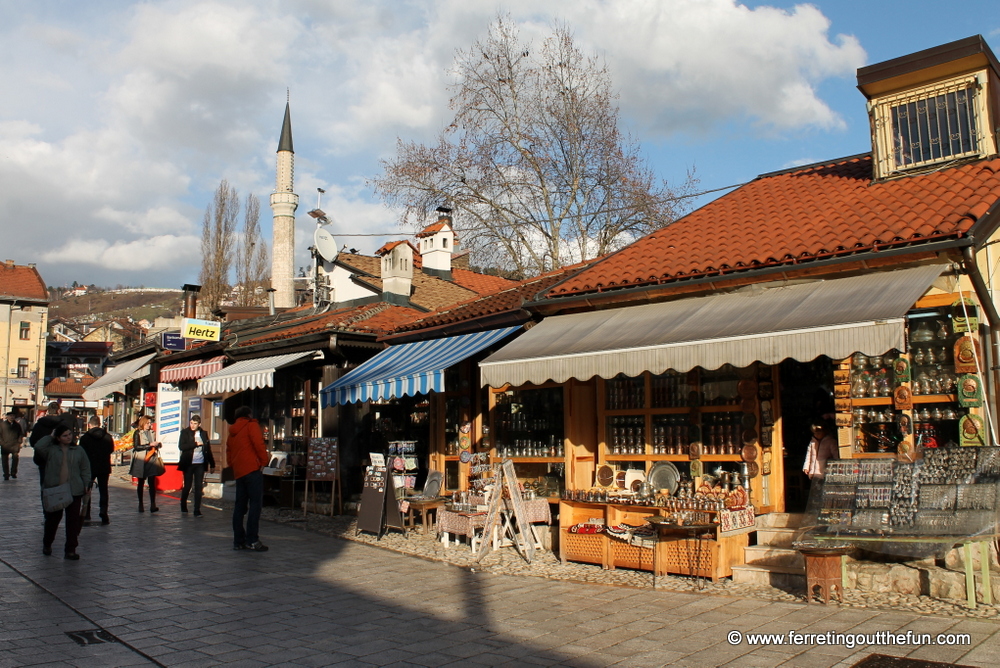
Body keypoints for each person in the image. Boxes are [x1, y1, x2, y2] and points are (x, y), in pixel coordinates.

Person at [35, 424, 90, 559]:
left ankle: (70, 549)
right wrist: (51, 436)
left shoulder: (78, 450)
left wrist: (86, 483)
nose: (68, 437)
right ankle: (47, 543)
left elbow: (85, 467)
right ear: (58, 438)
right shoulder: (51, 450)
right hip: (56, 489)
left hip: (74, 490)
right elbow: (38, 446)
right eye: (64, 435)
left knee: (72, 522)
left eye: (70, 434)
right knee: (52, 521)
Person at [227, 406, 269, 551]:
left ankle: (238, 540)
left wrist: (233, 466)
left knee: (240, 506)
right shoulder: (251, 425)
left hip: (239, 472)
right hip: (252, 468)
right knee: (255, 505)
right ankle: (252, 539)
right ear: (248, 415)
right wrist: (264, 461)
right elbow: (259, 444)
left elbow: (229, 451)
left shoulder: (232, 431)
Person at [79, 415, 115, 525]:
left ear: (89, 424)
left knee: (87, 490)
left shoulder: (85, 438)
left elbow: (81, 453)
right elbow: (111, 449)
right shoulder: (107, 436)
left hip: (89, 467)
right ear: (99, 424)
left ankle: (86, 513)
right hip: (104, 466)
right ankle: (103, 511)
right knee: (103, 490)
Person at [178, 415, 215, 516]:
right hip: (189, 463)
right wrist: (195, 444)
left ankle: (197, 509)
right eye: (191, 423)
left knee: (198, 487)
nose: (192, 425)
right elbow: (181, 447)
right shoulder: (185, 432)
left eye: (195, 424)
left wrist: (212, 464)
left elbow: (208, 449)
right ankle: (183, 505)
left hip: (200, 463)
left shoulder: (203, 433)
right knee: (188, 486)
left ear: (199, 424)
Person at [131, 416, 162, 513]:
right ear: (143, 423)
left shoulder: (152, 433)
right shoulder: (138, 433)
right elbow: (136, 446)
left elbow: (155, 444)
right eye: (148, 423)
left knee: (152, 482)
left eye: (150, 423)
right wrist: (149, 445)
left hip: (151, 458)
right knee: (141, 482)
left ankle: (153, 504)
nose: (150, 425)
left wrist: (158, 444)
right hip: (142, 459)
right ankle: (141, 504)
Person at [30, 402, 64, 484]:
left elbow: (33, 441)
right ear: (58, 410)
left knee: (44, 482)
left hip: (42, 457)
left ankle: (45, 496)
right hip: (59, 458)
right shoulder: (63, 424)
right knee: (60, 483)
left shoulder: (39, 424)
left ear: (48, 411)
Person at [0, 411, 23, 480]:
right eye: (10, 416)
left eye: (13, 415)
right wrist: (2, 443)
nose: (12, 417)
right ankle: (6, 474)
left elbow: (20, 434)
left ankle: (13, 473)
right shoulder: (2, 425)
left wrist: (19, 442)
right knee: (4, 460)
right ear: (7, 417)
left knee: (15, 459)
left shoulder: (17, 425)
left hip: (14, 444)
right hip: (5, 445)